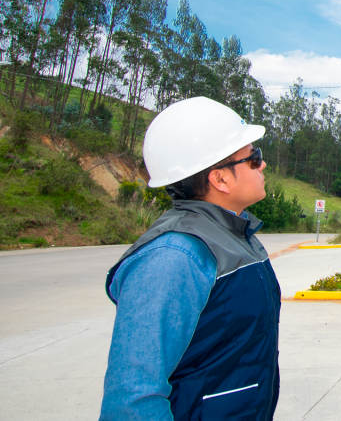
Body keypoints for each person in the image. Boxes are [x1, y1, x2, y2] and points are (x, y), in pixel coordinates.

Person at [100, 96, 280, 421]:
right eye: (254, 158)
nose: (262, 165)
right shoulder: (173, 256)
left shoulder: (235, 236)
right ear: (220, 179)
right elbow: (132, 400)